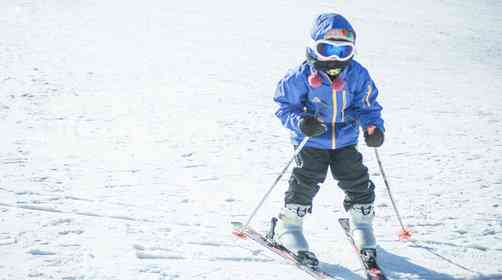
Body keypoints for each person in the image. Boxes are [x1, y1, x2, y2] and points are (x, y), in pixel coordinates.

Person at [271, 13, 385, 266]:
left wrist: (372, 128)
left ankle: (362, 222)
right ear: (314, 46)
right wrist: (302, 122)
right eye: (327, 48)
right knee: (305, 181)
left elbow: (367, 106)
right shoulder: (299, 76)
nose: (334, 56)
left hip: (345, 139)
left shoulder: (356, 74)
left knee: (356, 178)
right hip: (311, 141)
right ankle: (289, 225)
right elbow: (284, 106)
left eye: (343, 50)